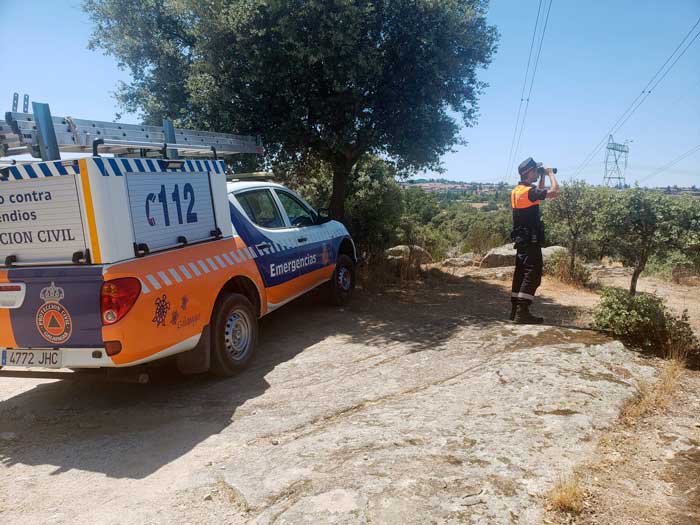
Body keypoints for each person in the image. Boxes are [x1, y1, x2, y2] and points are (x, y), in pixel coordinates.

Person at [509, 157, 559, 324]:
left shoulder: (518, 190)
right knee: (533, 274)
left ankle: (515, 310)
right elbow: (554, 192)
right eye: (535, 171)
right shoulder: (529, 192)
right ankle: (523, 312)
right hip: (531, 240)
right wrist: (551, 174)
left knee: (521, 273)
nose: (537, 173)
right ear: (528, 172)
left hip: (521, 240)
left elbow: (538, 194)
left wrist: (542, 176)